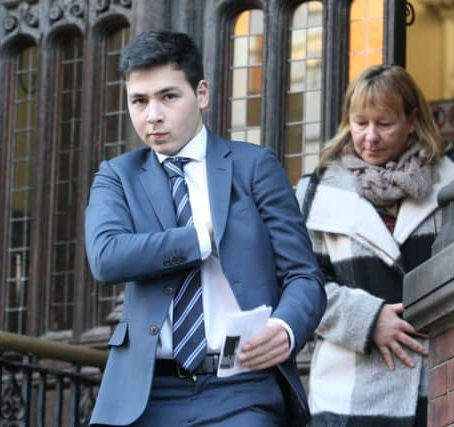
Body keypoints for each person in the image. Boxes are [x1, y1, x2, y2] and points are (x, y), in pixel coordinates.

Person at [85, 31, 326, 427]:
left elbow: (304, 275)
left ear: (201, 94)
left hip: (241, 387)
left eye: (168, 97)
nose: (153, 115)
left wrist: (285, 328)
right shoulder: (117, 177)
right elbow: (107, 257)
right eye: (139, 101)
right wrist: (200, 238)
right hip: (146, 394)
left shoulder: (254, 167)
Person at [296, 64, 454, 427]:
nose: (370, 137)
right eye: (360, 123)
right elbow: (299, 284)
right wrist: (368, 321)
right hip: (349, 392)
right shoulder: (316, 192)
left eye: (384, 124)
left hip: (437, 383)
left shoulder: (453, 184)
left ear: (412, 120)